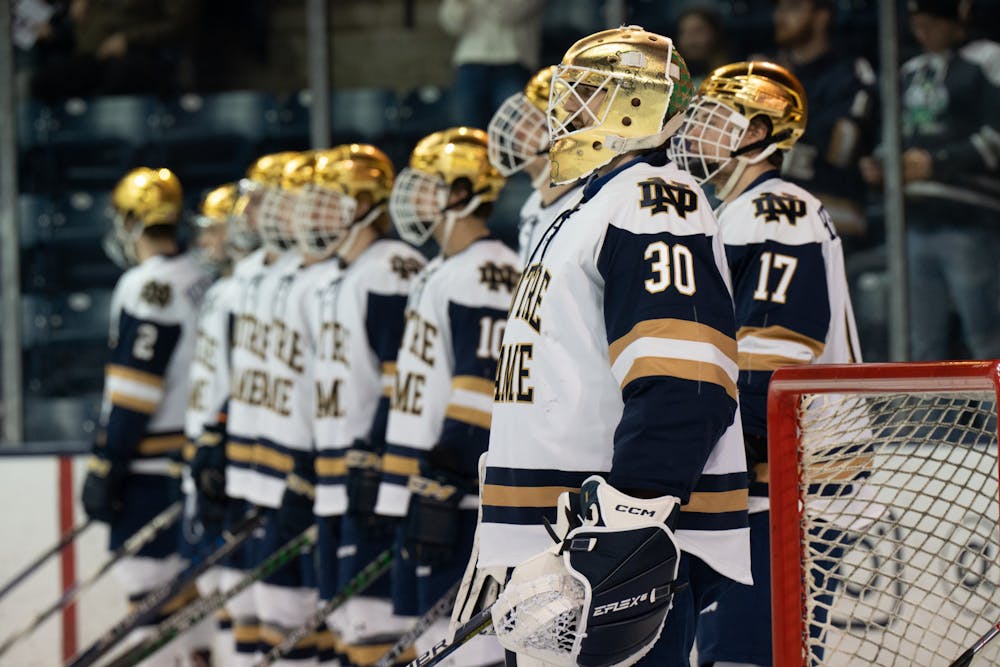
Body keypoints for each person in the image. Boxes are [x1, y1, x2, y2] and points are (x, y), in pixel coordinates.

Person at [451, 26, 751, 666]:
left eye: (589, 93)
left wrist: (629, 513)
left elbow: (688, 381)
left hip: (606, 546)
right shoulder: (589, 207)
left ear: (638, 105)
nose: (567, 109)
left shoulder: (654, 203)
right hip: (556, 546)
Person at [667, 60, 862, 667]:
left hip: (789, 479)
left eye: (711, 121)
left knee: (748, 657)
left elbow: (776, 357)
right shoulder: (745, 207)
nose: (693, 134)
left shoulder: (777, 210)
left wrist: (695, 450)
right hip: (773, 476)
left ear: (755, 133)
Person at [376, 127, 517, 665]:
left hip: (456, 496)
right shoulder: (440, 268)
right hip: (424, 484)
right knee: (428, 645)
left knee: (466, 651)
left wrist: (446, 479)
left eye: (429, 184)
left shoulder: (487, 271)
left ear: (461, 192)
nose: (414, 196)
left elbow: (484, 384)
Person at [298, 145, 427, 666]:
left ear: (365, 205)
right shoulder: (336, 275)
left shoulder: (390, 269)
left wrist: (375, 453)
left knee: (376, 632)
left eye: (330, 202)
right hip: (335, 480)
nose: (315, 216)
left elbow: (406, 380)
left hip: (373, 480)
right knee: (345, 626)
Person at [81, 166, 214, 666]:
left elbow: (135, 389)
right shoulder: (201, 276)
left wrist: (108, 462)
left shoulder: (146, 287)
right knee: (189, 603)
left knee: (147, 595)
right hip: (192, 459)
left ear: (133, 220)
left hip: (148, 467)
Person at [860, 0, 1000, 361]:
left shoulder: (988, 59)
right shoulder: (910, 70)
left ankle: (994, 401)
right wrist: (881, 164)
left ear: (957, 19)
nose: (923, 33)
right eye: (917, 25)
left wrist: (937, 163)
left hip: (969, 216)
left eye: (932, 24)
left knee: (985, 337)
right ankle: (929, 402)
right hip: (913, 218)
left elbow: (995, 136)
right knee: (922, 343)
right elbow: (891, 137)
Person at [218, 151, 303, 666]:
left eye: (262, 198)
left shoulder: (307, 275)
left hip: (292, 466)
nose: (250, 211)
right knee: (260, 612)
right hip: (252, 467)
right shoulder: (249, 273)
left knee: (297, 617)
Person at [182, 182, 243, 667]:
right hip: (207, 453)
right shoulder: (222, 290)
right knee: (217, 593)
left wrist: (217, 437)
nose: (205, 240)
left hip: (230, 460)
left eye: (214, 230)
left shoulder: (243, 292)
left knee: (238, 599)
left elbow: (243, 379)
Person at [772, 0, 877, 251]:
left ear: (821, 17)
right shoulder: (771, 74)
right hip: (771, 214)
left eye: (793, 8)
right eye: (779, 9)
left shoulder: (850, 72)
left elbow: (840, 148)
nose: (780, 17)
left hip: (832, 213)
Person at [486, 65, 584, 266]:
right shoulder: (532, 204)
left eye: (529, 122)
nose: (516, 130)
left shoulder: (584, 207)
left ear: (562, 133)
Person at [30, 0, 199, 101]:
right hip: (88, 56)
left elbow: (178, 24)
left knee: (120, 75)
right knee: (45, 80)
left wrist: (128, 39)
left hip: (139, 54)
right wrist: (55, 33)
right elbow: (85, 26)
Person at [438, 0, 546, 129]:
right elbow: (452, 23)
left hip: (514, 63)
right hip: (470, 62)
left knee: (516, 125)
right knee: (464, 125)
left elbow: (508, 14)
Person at [677, 6, 729, 89]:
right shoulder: (670, 76)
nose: (690, 40)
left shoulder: (731, 73)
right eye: (684, 32)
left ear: (715, 33)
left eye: (698, 31)